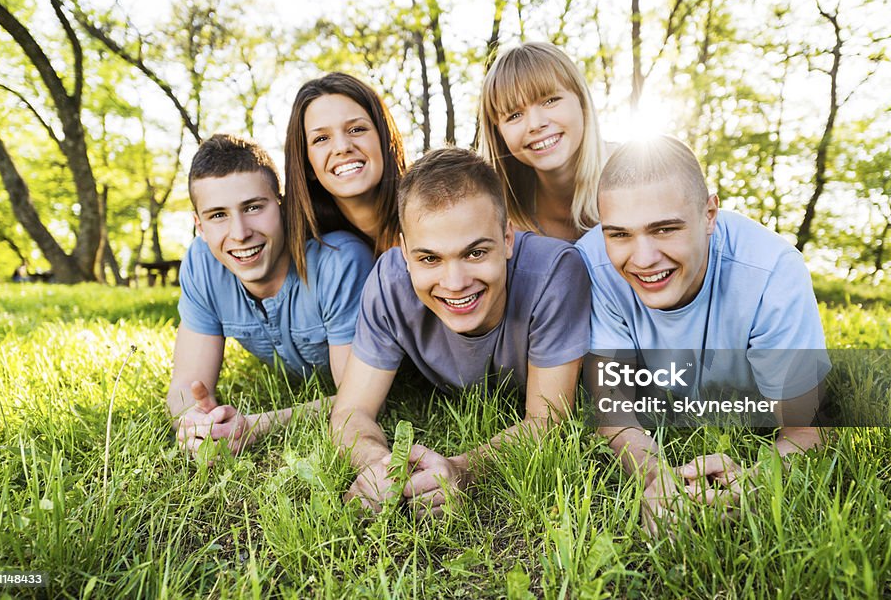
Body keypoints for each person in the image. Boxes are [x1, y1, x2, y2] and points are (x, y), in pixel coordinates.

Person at [574, 135, 829, 533]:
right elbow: (613, 408)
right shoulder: (592, 263)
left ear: (710, 213)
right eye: (619, 234)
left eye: (664, 229)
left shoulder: (773, 271)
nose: (641, 259)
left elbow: (807, 431)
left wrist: (754, 481)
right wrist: (657, 479)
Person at [331, 147, 591, 516]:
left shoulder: (555, 272)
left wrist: (459, 469)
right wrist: (377, 463)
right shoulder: (389, 281)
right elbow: (351, 410)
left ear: (507, 240)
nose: (454, 283)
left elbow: (547, 423)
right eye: (429, 258)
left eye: (474, 254)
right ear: (404, 251)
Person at [168, 134, 374, 460]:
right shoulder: (201, 264)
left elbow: (359, 400)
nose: (239, 232)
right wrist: (196, 422)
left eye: (253, 207)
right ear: (200, 226)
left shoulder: (340, 262)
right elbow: (185, 386)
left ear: (282, 207)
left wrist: (255, 425)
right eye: (218, 215)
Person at [478, 42, 608, 241]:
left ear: (581, 101)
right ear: (499, 134)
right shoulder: (503, 226)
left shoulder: (639, 176)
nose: (536, 124)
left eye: (550, 101)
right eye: (514, 115)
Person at [283, 73, 407, 280]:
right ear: (307, 165)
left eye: (356, 129)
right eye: (321, 138)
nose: (342, 147)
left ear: (385, 139)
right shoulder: (302, 249)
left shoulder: (435, 211)